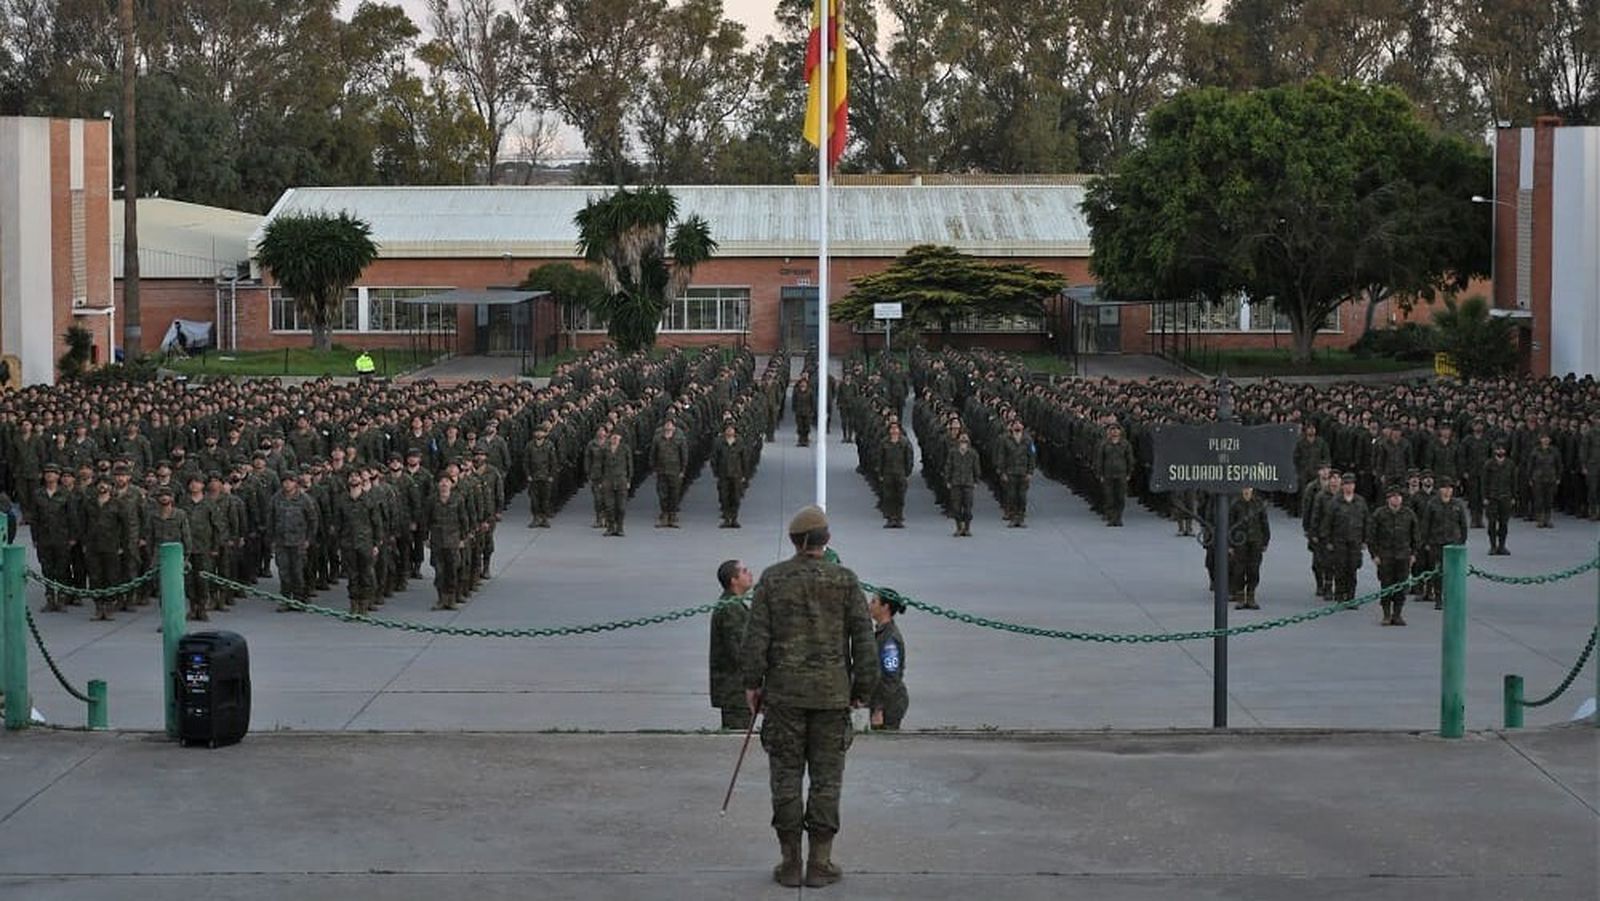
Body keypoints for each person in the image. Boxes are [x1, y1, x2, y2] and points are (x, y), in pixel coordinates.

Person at [739, 505, 877, 889]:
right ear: (826, 540)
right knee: (826, 781)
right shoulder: (846, 581)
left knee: (785, 779)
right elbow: (863, 642)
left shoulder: (772, 580)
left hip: (783, 696)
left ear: (794, 542)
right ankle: (820, 862)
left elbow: (755, 640)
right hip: (832, 697)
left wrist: (752, 685)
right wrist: (863, 691)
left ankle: (788, 863)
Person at [709, 559, 753, 730]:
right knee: (737, 734)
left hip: (735, 688)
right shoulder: (731, 609)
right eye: (744, 571)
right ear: (733, 580)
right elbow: (739, 651)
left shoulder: (734, 604)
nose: (749, 574)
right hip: (735, 689)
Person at [1366, 483, 1418, 626]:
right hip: (1385, 556)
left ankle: (1398, 614)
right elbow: (1371, 536)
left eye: (1398, 496)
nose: (1396, 499)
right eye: (1393, 497)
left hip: (1403, 555)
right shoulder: (1379, 514)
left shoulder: (1409, 514)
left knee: (1402, 586)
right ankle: (1386, 614)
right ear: (1388, 499)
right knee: (1386, 585)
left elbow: (1415, 536)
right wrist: (1374, 555)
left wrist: (1414, 554)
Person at [868, 591, 909, 730]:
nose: (869, 605)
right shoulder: (881, 633)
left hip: (889, 703)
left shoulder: (890, 639)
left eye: (874, 602)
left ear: (885, 607)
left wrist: (879, 708)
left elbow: (891, 676)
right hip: (880, 699)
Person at [1229, 486, 1270, 609]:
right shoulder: (1235, 504)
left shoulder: (1258, 503)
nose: (1247, 491)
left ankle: (1251, 596)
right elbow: (1230, 525)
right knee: (1239, 569)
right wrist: (1230, 544)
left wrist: (1265, 541)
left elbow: (1264, 523)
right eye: (1244, 488)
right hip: (1239, 541)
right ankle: (1240, 597)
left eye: (1249, 488)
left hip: (1255, 540)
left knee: (1254, 569)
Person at [943, 431, 979, 537]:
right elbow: (948, 467)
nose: (963, 440)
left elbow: (976, 468)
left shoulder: (973, 453)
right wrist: (948, 480)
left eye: (965, 439)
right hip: (956, 483)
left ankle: (967, 527)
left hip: (968, 483)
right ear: (958, 441)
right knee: (956, 506)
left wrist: (976, 481)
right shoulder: (953, 452)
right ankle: (959, 527)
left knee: (968, 506)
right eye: (962, 439)